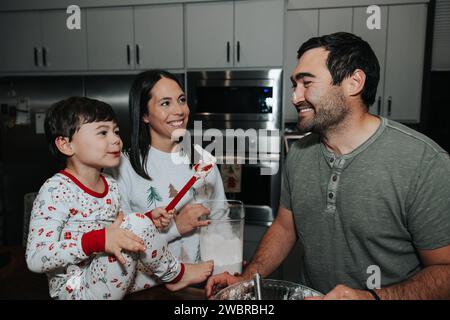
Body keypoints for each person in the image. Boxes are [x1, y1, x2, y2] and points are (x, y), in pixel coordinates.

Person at [206, 32, 450, 300]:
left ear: (354, 82)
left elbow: (444, 270)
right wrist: (246, 279)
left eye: (306, 83)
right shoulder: (300, 152)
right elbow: (285, 227)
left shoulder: (423, 163)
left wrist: (373, 298)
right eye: (294, 85)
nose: (295, 97)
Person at [25, 96, 213, 300]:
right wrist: (96, 241)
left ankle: (170, 275)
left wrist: (150, 220)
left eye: (115, 131)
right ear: (66, 145)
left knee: (140, 235)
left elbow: (121, 229)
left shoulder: (110, 185)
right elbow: (36, 258)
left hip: (106, 276)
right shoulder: (55, 190)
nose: (116, 139)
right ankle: (176, 274)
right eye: (102, 133)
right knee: (149, 250)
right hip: (75, 289)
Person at [111, 70, 227, 288]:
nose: (179, 110)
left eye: (181, 100)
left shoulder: (204, 161)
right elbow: (122, 245)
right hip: (148, 288)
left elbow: (222, 222)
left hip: (201, 286)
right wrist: (176, 227)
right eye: (165, 103)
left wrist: (225, 269)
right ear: (144, 114)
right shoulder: (122, 167)